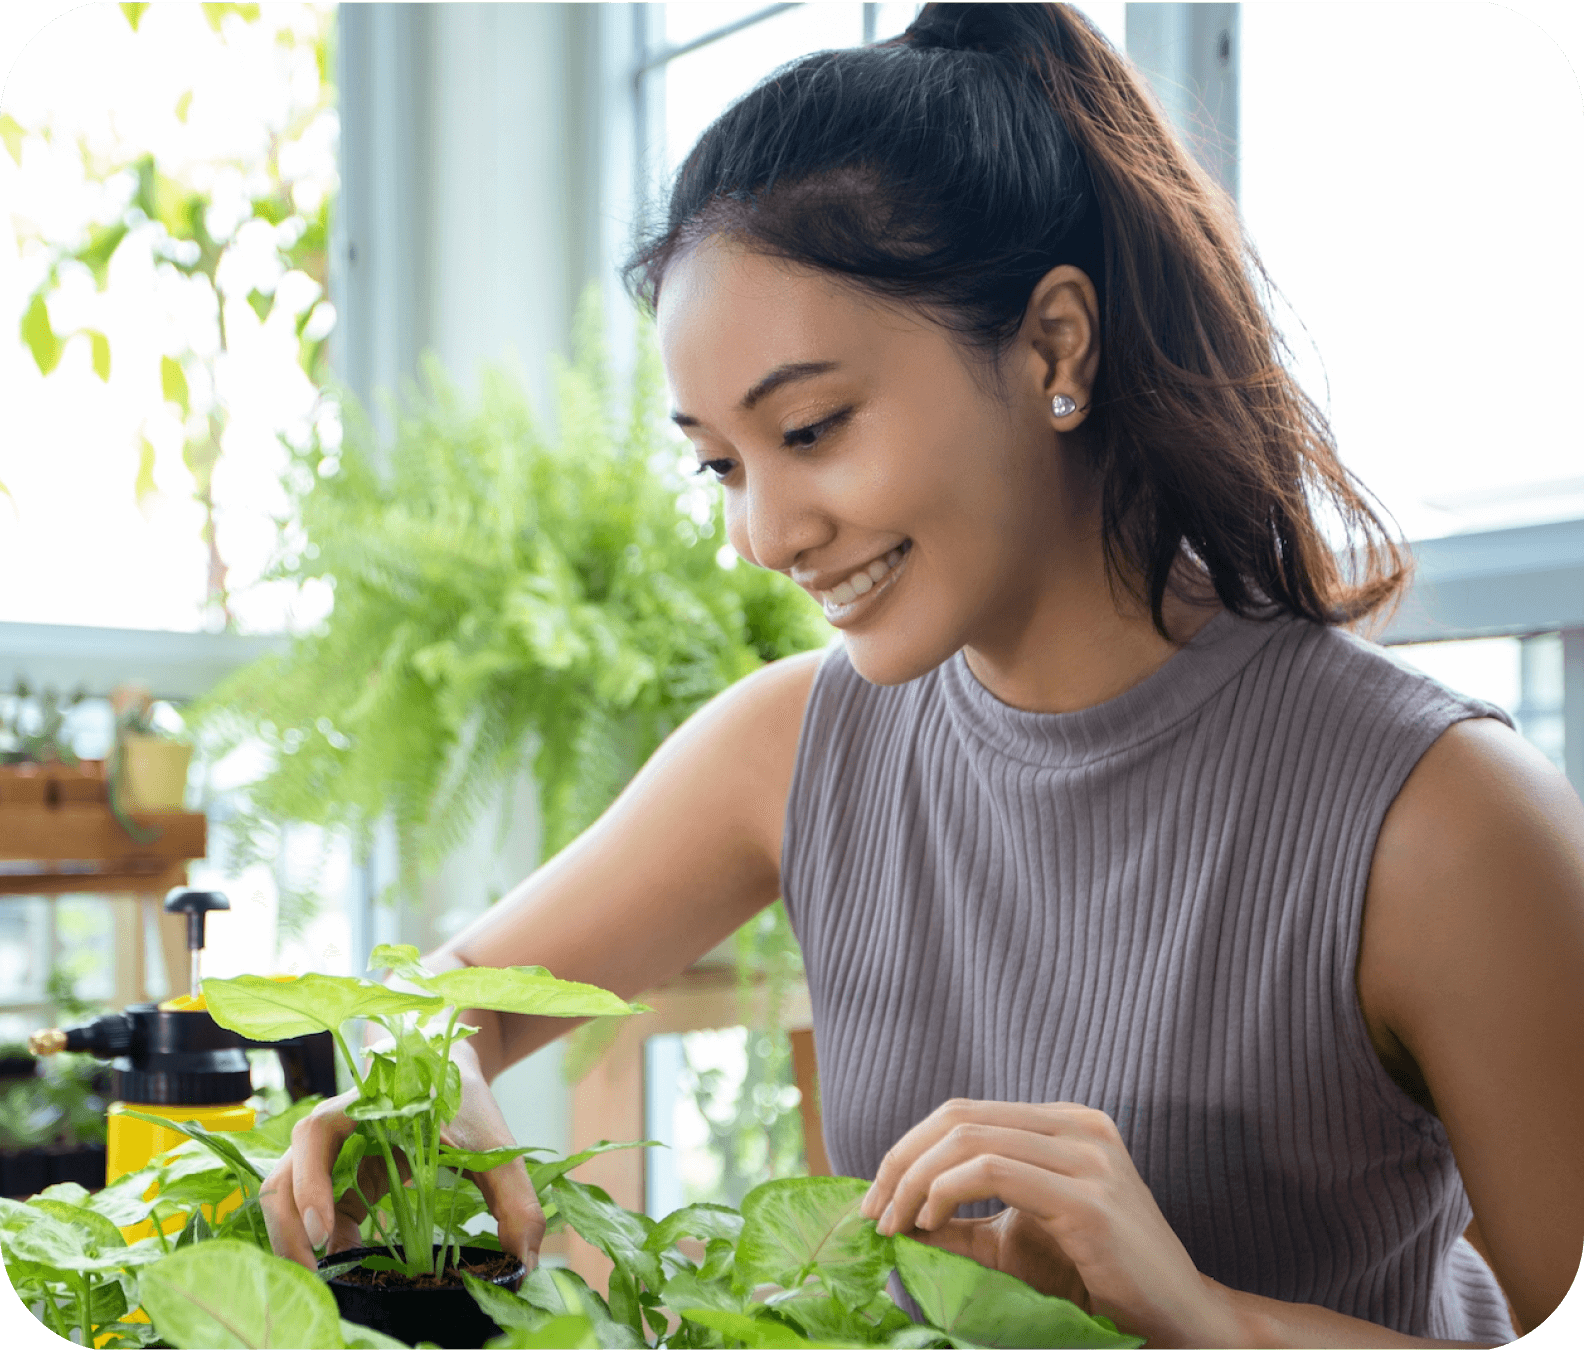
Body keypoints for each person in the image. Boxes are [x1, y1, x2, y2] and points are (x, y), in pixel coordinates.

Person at [260, 4, 1582, 1345]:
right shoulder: (797, 746)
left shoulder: (1445, 821)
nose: (766, 535)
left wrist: (1203, 1318)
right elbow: (440, 998)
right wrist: (407, 1079)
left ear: (1055, 347)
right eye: (721, 464)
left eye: (811, 428)